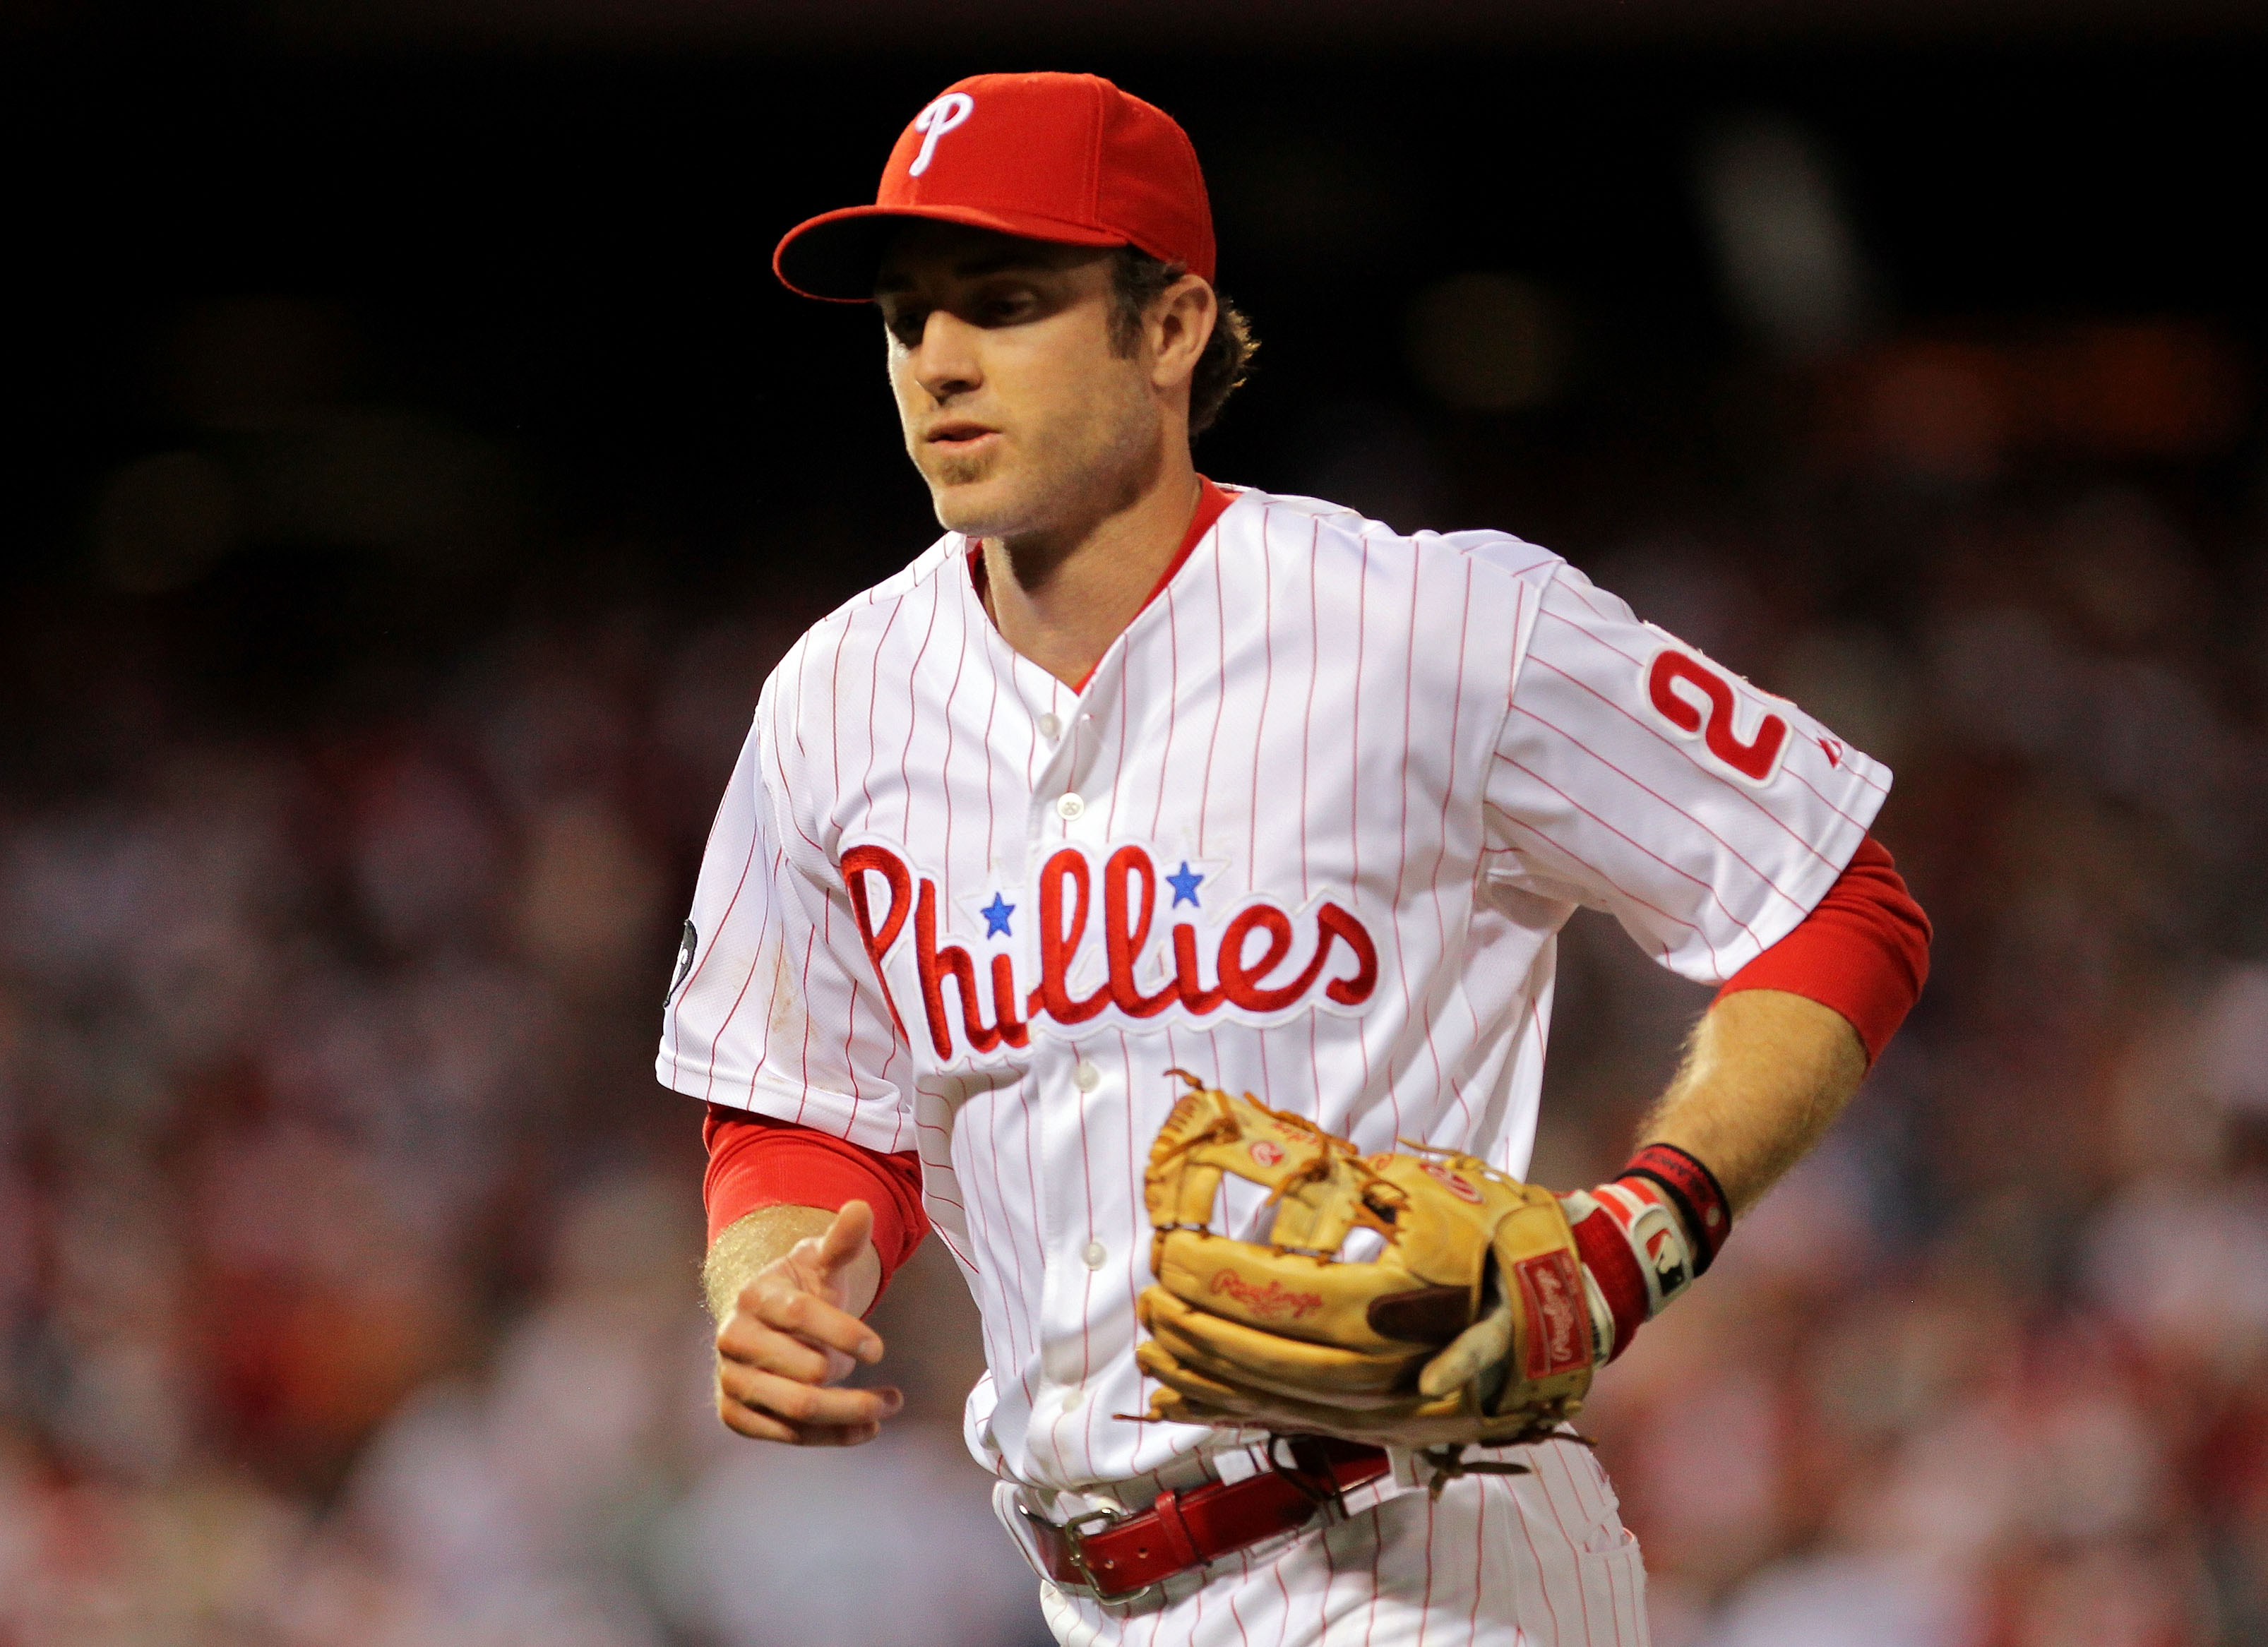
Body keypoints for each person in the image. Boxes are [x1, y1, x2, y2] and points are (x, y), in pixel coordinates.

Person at [660, 71, 1929, 1646]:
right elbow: (801, 1111)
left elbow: (1836, 899)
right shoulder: (832, 701)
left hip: (1424, 1560)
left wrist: (1644, 1227)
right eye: (906, 317)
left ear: (1171, 325)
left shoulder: (1435, 623)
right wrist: (774, 1281)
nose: (939, 360)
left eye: (1005, 302)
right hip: (1090, 1590)